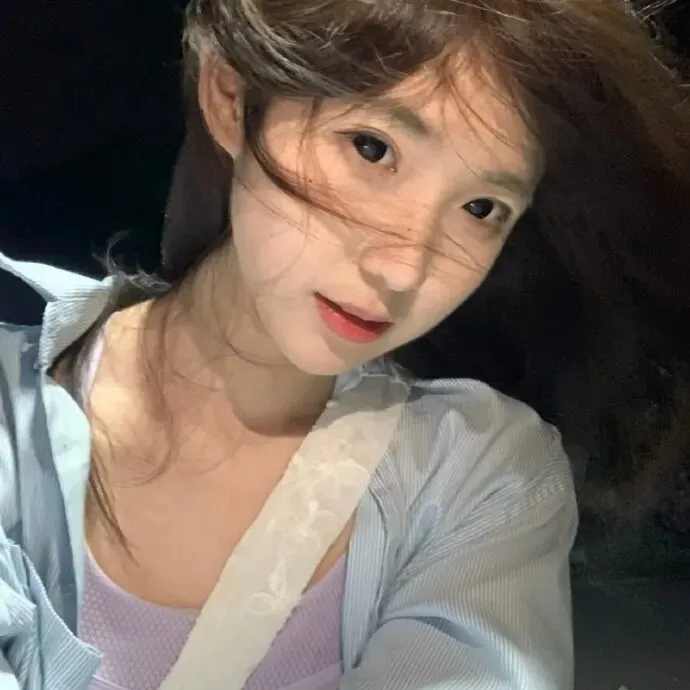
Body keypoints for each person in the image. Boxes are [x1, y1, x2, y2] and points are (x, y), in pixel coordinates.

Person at [1, 2, 689, 689]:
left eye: (482, 209)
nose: (405, 268)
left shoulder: (476, 476)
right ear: (231, 97)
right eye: (372, 148)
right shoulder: (15, 395)